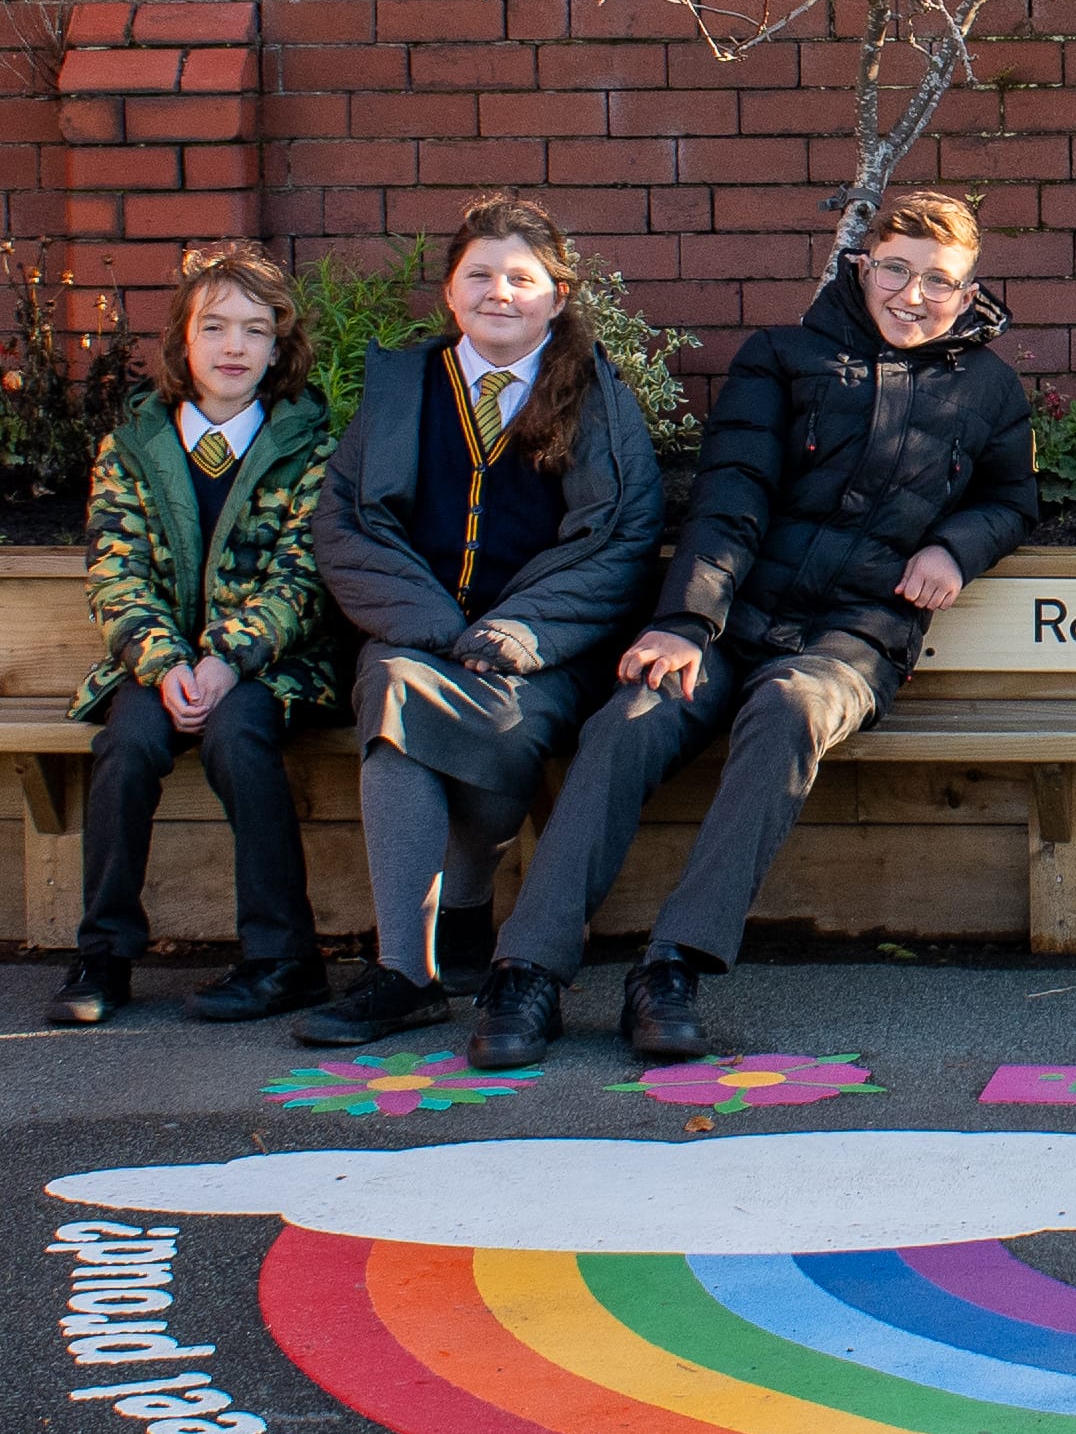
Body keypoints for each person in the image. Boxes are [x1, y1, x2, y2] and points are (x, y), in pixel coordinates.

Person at [463, 185, 1040, 1068]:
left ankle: (671, 967)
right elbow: (730, 498)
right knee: (630, 723)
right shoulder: (780, 358)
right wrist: (687, 623)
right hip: (730, 619)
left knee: (791, 711)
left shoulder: (989, 389)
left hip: (855, 633)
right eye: (896, 269)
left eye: (940, 281)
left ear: (967, 292)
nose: (913, 295)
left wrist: (957, 550)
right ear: (862, 266)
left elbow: (1011, 497)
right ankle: (528, 969)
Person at [297, 196, 673, 1049]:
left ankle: (464, 911)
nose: (498, 292)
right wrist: (427, 621)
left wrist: (522, 631)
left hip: (543, 646)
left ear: (557, 294)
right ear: (450, 291)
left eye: (520, 277)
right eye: (479, 275)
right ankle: (406, 969)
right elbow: (346, 521)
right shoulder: (402, 389)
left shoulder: (595, 396)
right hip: (413, 631)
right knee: (393, 688)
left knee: (502, 715)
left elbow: (619, 537)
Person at [50, 243, 340, 1028]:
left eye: (255, 329)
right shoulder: (133, 449)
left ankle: (283, 958)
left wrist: (225, 661)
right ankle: (103, 953)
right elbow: (117, 572)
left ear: (280, 347)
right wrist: (167, 662)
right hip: (159, 666)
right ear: (183, 341)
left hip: (267, 669)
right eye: (215, 327)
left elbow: (303, 578)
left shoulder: (310, 448)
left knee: (239, 736)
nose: (234, 347)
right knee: (127, 745)